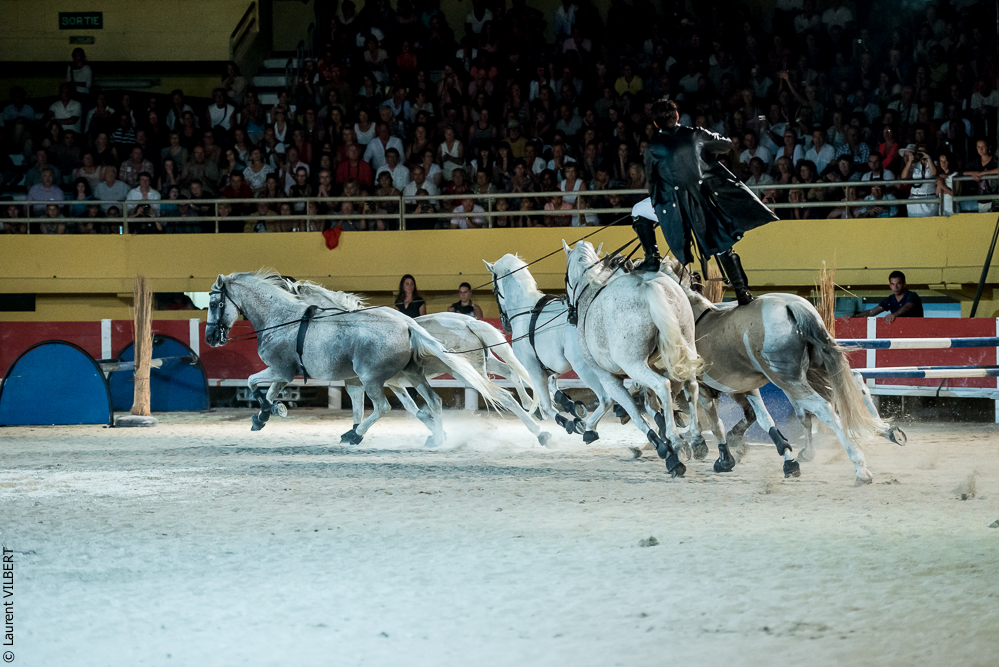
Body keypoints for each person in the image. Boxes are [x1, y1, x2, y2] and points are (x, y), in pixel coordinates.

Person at [635, 99, 778, 305]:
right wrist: (708, 143)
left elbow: (653, 182)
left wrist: (661, 210)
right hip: (701, 202)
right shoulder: (696, 134)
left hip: (672, 206)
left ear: (655, 123)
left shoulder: (652, 148)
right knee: (722, 244)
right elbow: (726, 145)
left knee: (638, 210)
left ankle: (652, 258)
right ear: (677, 116)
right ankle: (742, 291)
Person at [854, 271, 924, 323]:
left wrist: (894, 314)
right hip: (900, 331)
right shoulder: (890, 299)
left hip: (916, 330)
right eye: (893, 284)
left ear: (904, 284)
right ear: (890, 285)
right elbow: (871, 312)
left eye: (898, 284)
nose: (895, 287)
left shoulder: (912, 295)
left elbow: (907, 306)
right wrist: (853, 316)